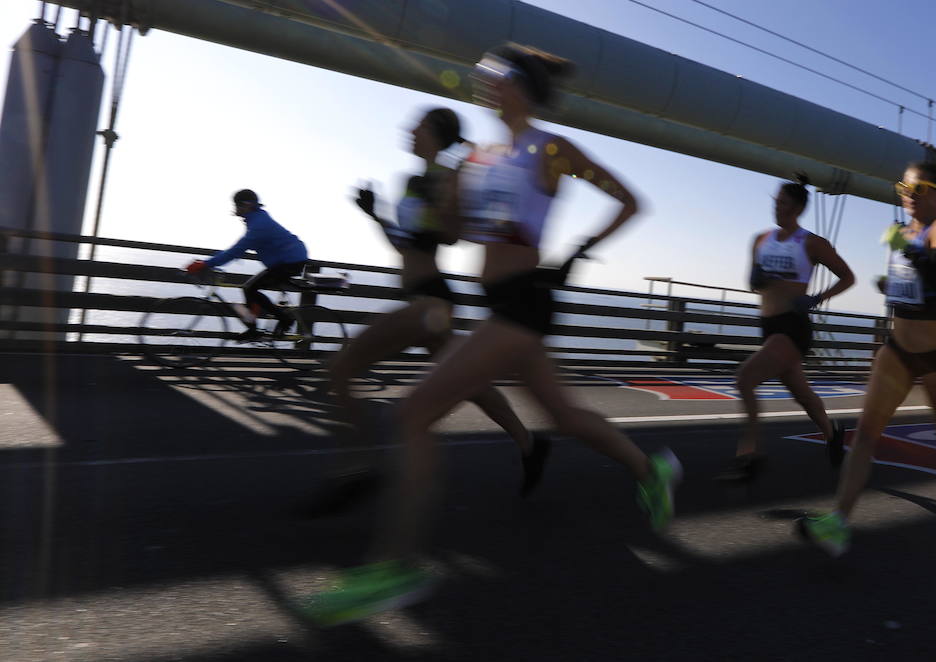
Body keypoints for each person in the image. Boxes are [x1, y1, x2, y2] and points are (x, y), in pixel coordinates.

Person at [302, 43, 679, 624]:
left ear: (521, 86)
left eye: (493, 74)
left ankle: (395, 566)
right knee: (564, 417)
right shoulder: (480, 157)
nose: (482, 82)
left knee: (412, 413)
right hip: (496, 304)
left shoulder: (550, 149)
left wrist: (578, 251)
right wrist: (440, 199)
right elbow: (452, 233)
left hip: (524, 305)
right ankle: (651, 470)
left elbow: (629, 201)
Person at [296, 108, 545, 518]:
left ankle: (356, 470)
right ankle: (530, 445)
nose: (408, 129)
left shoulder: (446, 177)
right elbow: (405, 244)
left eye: (417, 126)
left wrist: (446, 201)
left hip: (433, 301)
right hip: (420, 298)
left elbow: (455, 234)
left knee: (339, 369)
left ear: (435, 134)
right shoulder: (412, 181)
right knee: (470, 383)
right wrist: (374, 213)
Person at [797, 162, 936, 557]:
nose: (908, 194)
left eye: (919, 189)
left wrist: (905, 253)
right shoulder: (902, 232)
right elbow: (911, 288)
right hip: (898, 350)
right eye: (904, 186)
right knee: (866, 433)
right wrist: (891, 284)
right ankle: (838, 523)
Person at [715, 175, 855, 482]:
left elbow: (848, 277)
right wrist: (757, 280)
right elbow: (752, 284)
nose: (777, 208)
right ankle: (832, 434)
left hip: (792, 326)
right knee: (802, 395)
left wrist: (817, 298)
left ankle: (749, 454)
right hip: (767, 324)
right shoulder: (760, 240)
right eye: (775, 202)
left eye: (784, 203)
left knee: (745, 379)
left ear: (799, 208)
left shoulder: (812, 243)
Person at [186, 190, 308, 340]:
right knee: (249, 290)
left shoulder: (259, 224)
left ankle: (284, 320)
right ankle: (253, 328)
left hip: (291, 260)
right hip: (285, 259)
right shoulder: (256, 219)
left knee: (250, 288)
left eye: (237, 204)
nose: (235, 208)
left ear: (246, 205)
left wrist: (206, 264)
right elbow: (235, 249)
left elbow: (236, 250)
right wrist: (207, 262)